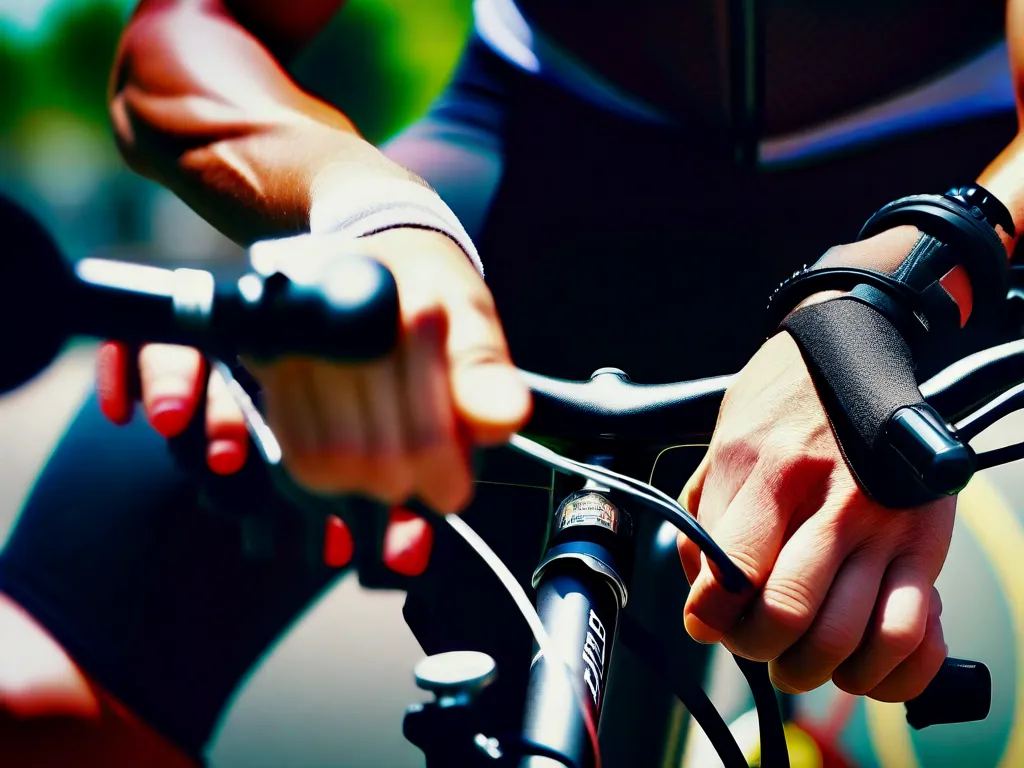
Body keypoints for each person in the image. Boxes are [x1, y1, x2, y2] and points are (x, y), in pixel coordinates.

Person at [1, 0, 1023, 764]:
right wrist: (363, 219)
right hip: (525, 173)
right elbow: (184, 33)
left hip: (956, 207)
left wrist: (893, 295)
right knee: (27, 693)